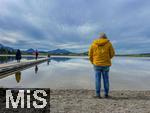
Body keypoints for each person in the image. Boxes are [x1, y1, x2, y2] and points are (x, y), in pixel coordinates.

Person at [88, 32, 115, 98]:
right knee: (106, 79)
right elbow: (112, 54)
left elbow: (90, 55)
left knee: (97, 79)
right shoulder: (109, 44)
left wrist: (93, 62)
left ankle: (98, 94)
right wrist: (108, 59)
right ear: (105, 37)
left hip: (96, 64)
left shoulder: (93, 44)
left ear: (99, 38)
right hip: (106, 64)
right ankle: (106, 94)